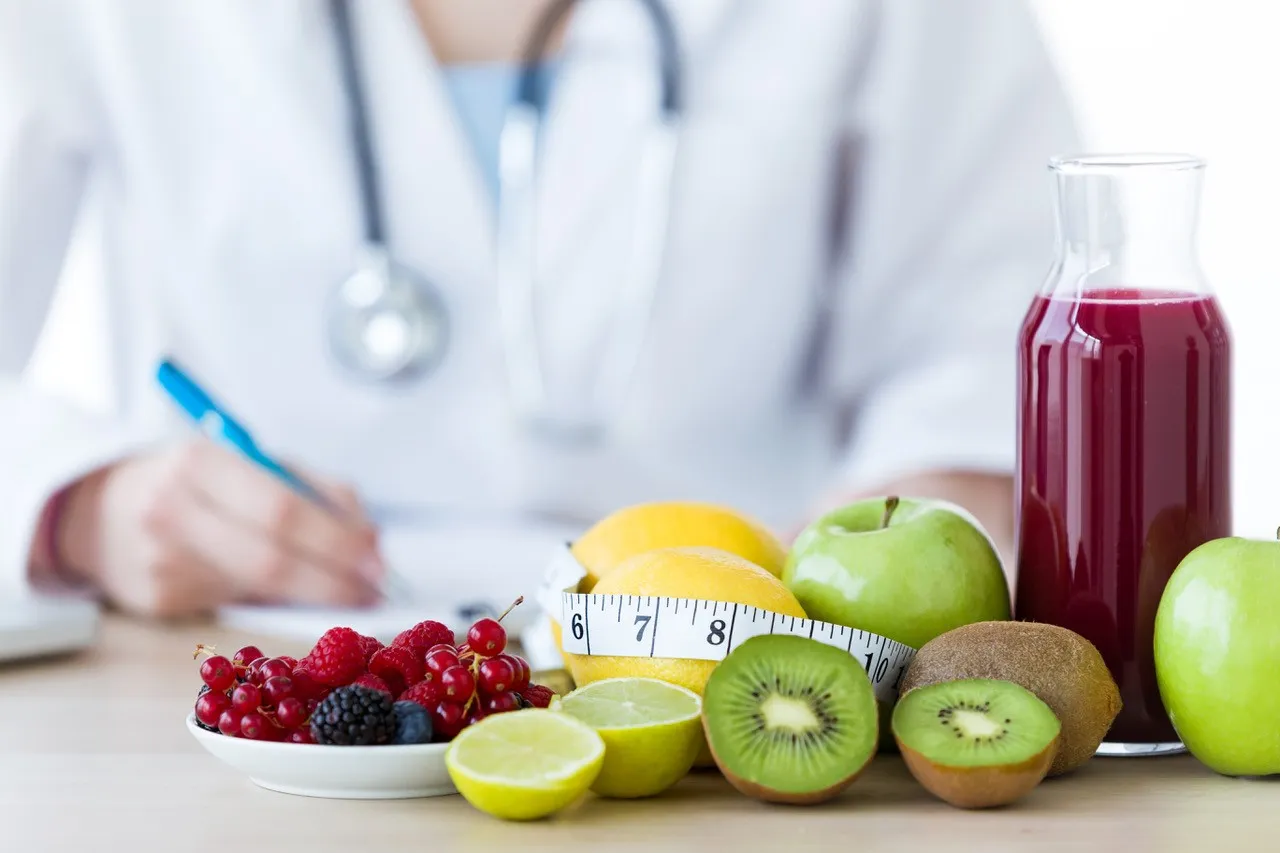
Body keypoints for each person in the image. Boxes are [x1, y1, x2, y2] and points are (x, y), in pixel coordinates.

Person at [0, 0, 1079, 619]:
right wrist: (80, 503)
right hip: (262, 681)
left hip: (719, 676)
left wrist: (924, 508)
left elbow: (982, 337)